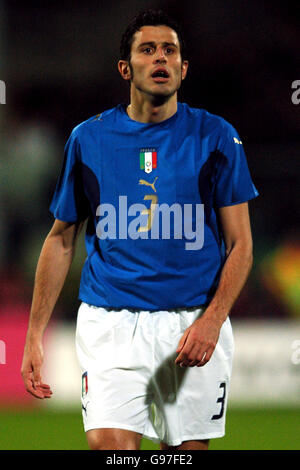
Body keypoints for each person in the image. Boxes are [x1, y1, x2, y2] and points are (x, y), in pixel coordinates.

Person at [21, 9, 258, 451]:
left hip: (193, 321)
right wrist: (35, 334)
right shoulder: (87, 139)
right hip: (111, 321)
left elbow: (241, 243)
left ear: (184, 69)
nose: (160, 58)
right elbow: (60, 238)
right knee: (111, 447)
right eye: (148, 50)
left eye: (170, 50)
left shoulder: (217, 137)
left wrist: (212, 321)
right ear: (126, 68)